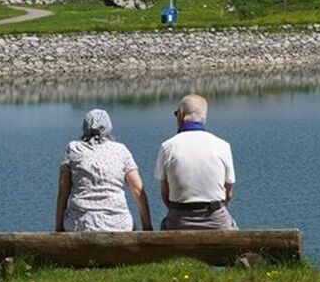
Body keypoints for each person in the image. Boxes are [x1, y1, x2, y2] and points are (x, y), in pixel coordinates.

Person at [56, 109, 153, 232]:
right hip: (118, 224)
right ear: (109, 128)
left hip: (80, 224)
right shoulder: (120, 150)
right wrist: (147, 225)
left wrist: (59, 227)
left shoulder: (73, 149)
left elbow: (63, 191)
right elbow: (138, 190)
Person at [154, 94, 237, 230]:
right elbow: (228, 194)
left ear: (181, 115)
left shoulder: (167, 147)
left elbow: (165, 193)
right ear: (204, 117)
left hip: (179, 221)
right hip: (216, 220)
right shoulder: (223, 146)